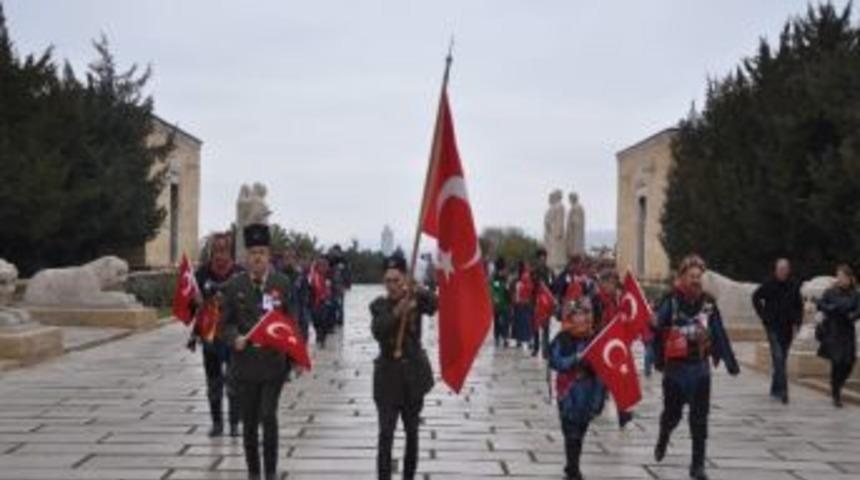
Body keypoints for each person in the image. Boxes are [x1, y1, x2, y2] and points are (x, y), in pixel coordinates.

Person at [652, 255, 740, 480]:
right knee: (672, 415)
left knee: (699, 419)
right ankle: (664, 435)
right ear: (682, 277)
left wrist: (730, 361)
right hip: (675, 371)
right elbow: (657, 328)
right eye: (691, 276)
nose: (695, 280)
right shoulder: (670, 301)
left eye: (699, 277)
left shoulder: (708, 303)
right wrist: (657, 357)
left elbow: (718, 331)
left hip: (700, 370)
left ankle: (697, 465)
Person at [221, 224, 295, 480]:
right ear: (246, 256)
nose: (257, 257)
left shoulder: (281, 283)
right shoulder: (235, 285)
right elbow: (225, 323)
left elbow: (292, 320)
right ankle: (254, 471)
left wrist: (295, 354)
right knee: (250, 422)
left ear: (269, 255)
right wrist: (234, 338)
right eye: (253, 252)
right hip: (245, 365)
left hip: (273, 363)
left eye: (262, 252)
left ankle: (271, 471)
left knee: (268, 415)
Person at [370, 254, 437, 480]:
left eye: (396, 280)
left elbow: (435, 304)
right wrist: (398, 311)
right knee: (385, 435)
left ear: (404, 279)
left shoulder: (416, 300)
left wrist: (418, 289)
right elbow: (379, 330)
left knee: (412, 434)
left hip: (412, 378)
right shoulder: (379, 305)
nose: (392, 285)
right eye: (387, 280)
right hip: (387, 379)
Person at [186, 233, 242, 438]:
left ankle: (234, 423)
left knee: (234, 382)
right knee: (214, 382)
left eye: (224, 250)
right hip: (210, 336)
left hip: (233, 335)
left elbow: (249, 302)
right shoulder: (202, 273)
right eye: (216, 250)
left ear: (229, 251)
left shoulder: (239, 273)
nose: (220, 255)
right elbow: (192, 305)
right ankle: (217, 423)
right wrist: (195, 301)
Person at [548, 298, 606, 480]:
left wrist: (599, 399)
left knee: (580, 432)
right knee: (570, 430)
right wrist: (575, 359)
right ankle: (573, 469)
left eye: (587, 313)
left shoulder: (595, 338)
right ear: (572, 317)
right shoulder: (562, 338)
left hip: (588, 392)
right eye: (580, 314)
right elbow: (555, 361)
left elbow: (602, 371)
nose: (584, 318)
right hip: (568, 392)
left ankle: (572, 465)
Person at [751, 258, 804, 404]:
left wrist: (798, 323)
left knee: (781, 359)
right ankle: (784, 391)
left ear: (788, 270)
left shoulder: (794, 285)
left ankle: (775, 388)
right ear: (776, 270)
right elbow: (755, 297)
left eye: (785, 269)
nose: (782, 272)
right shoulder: (768, 283)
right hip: (772, 326)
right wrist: (763, 315)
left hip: (787, 327)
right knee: (778, 357)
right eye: (780, 269)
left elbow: (799, 306)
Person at [816, 264, 860, 408]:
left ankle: (837, 384)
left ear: (849, 278)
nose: (840, 279)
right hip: (834, 330)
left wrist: (853, 316)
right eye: (838, 276)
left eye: (842, 276)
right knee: (837, 361)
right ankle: (836, 394)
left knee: (849, 362)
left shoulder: (855, 294)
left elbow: (859, 309)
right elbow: (820, 304)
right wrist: (830, 308)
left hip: (847, 330)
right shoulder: (830, 292)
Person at [531, 249, 555, 357]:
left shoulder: (549, 271)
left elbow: (553, 285)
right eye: (540, 258)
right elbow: (531, 287)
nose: (542, 260)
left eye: (544, 258)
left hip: (546, 303)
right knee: (535, 326)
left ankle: (545, 350)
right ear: (537, 259)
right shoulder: (533, 272)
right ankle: (536, 347)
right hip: (535, 302)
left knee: (546, 327)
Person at [490, 257, 512, 348]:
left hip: (506, 303)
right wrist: (496, 298)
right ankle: (497, 337)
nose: (504, 271)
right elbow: (495, 290)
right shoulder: (496, 278)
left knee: (506, 321)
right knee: (497, 322)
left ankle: (505, 337)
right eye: (503, 269)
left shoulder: (506, 277)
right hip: (498, 304)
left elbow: (509, 289)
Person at [512, 261, 534, 349]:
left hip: (521, 303)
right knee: (526, 323)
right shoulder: (525, 277)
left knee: (521, 322)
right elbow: (529, 289)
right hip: (524, 303)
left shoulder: (519, 279)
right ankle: (527, 341)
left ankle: (520, 340)